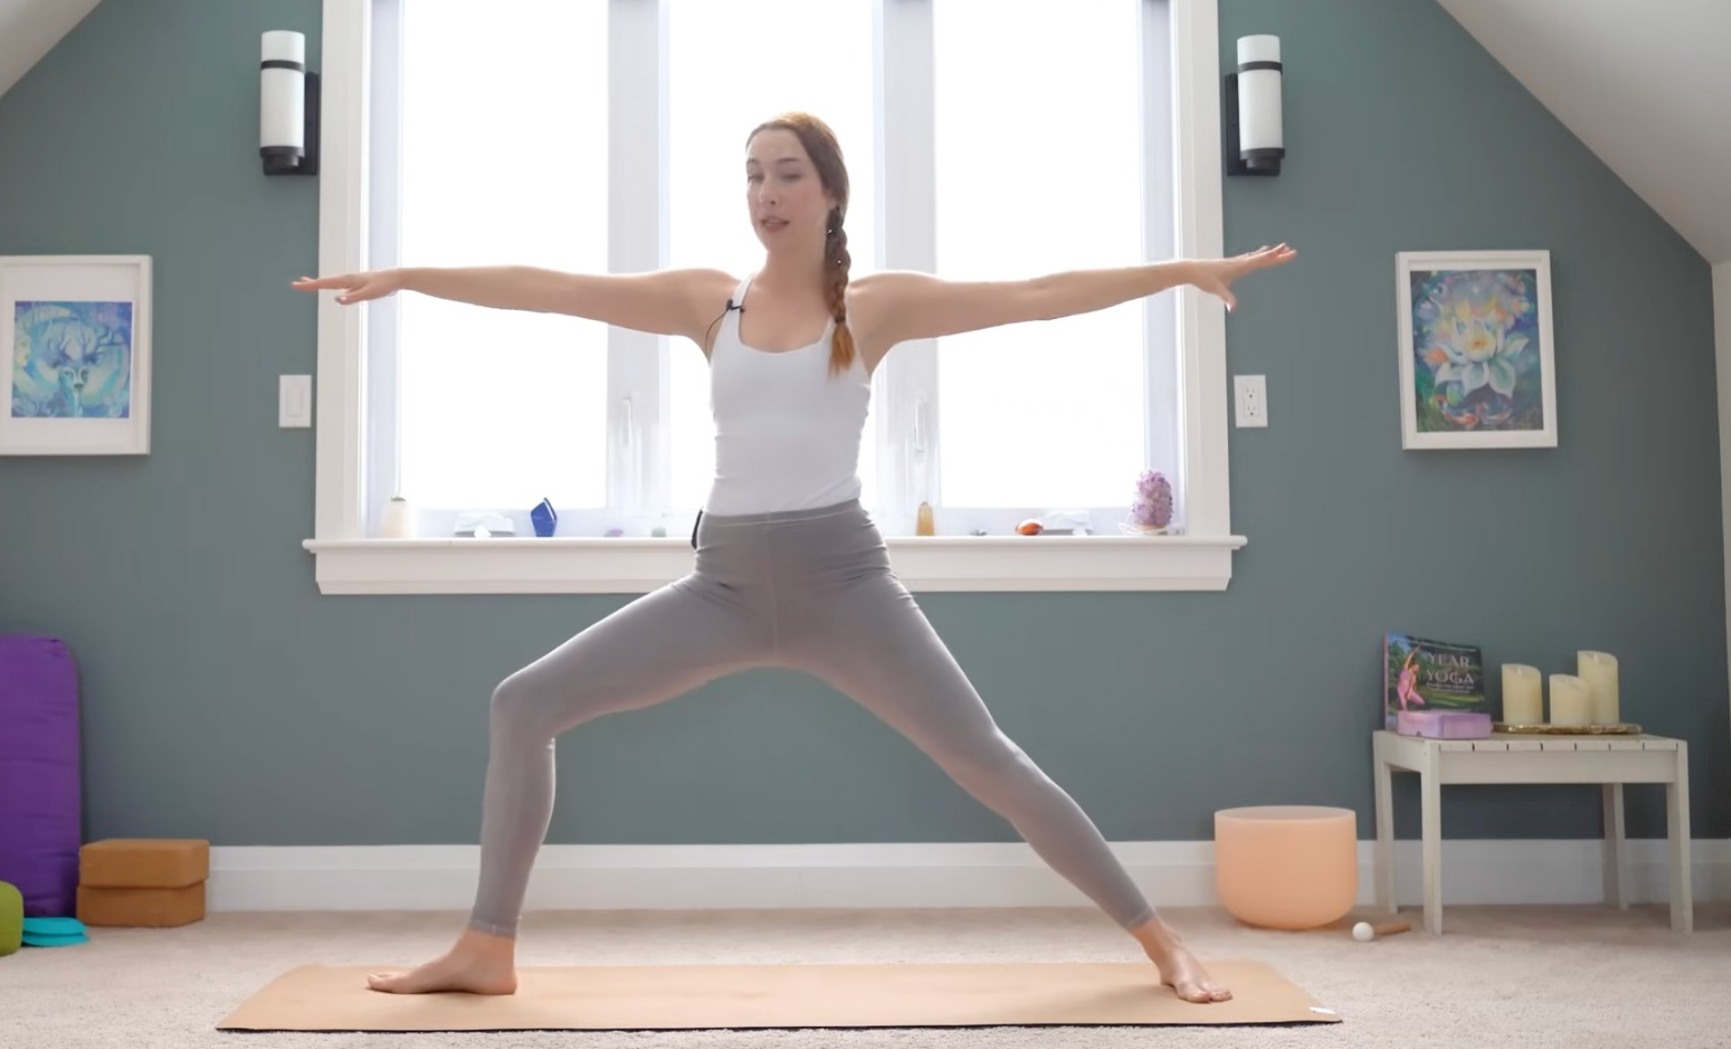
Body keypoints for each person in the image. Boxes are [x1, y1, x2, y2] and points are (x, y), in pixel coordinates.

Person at [293, 112, 1296, 1004]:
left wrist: (1180, 272)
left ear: (828, 191)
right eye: (752, 175)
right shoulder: (707, 303)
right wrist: (407, 278)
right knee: (523, 703)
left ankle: (1162, 943)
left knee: (988, 759)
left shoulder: (878, 305)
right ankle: (487, 946)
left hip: (844, 586)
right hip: (721, 587)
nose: (765, 194)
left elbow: (1035, 295)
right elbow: (553, 289)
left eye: (785, 174)